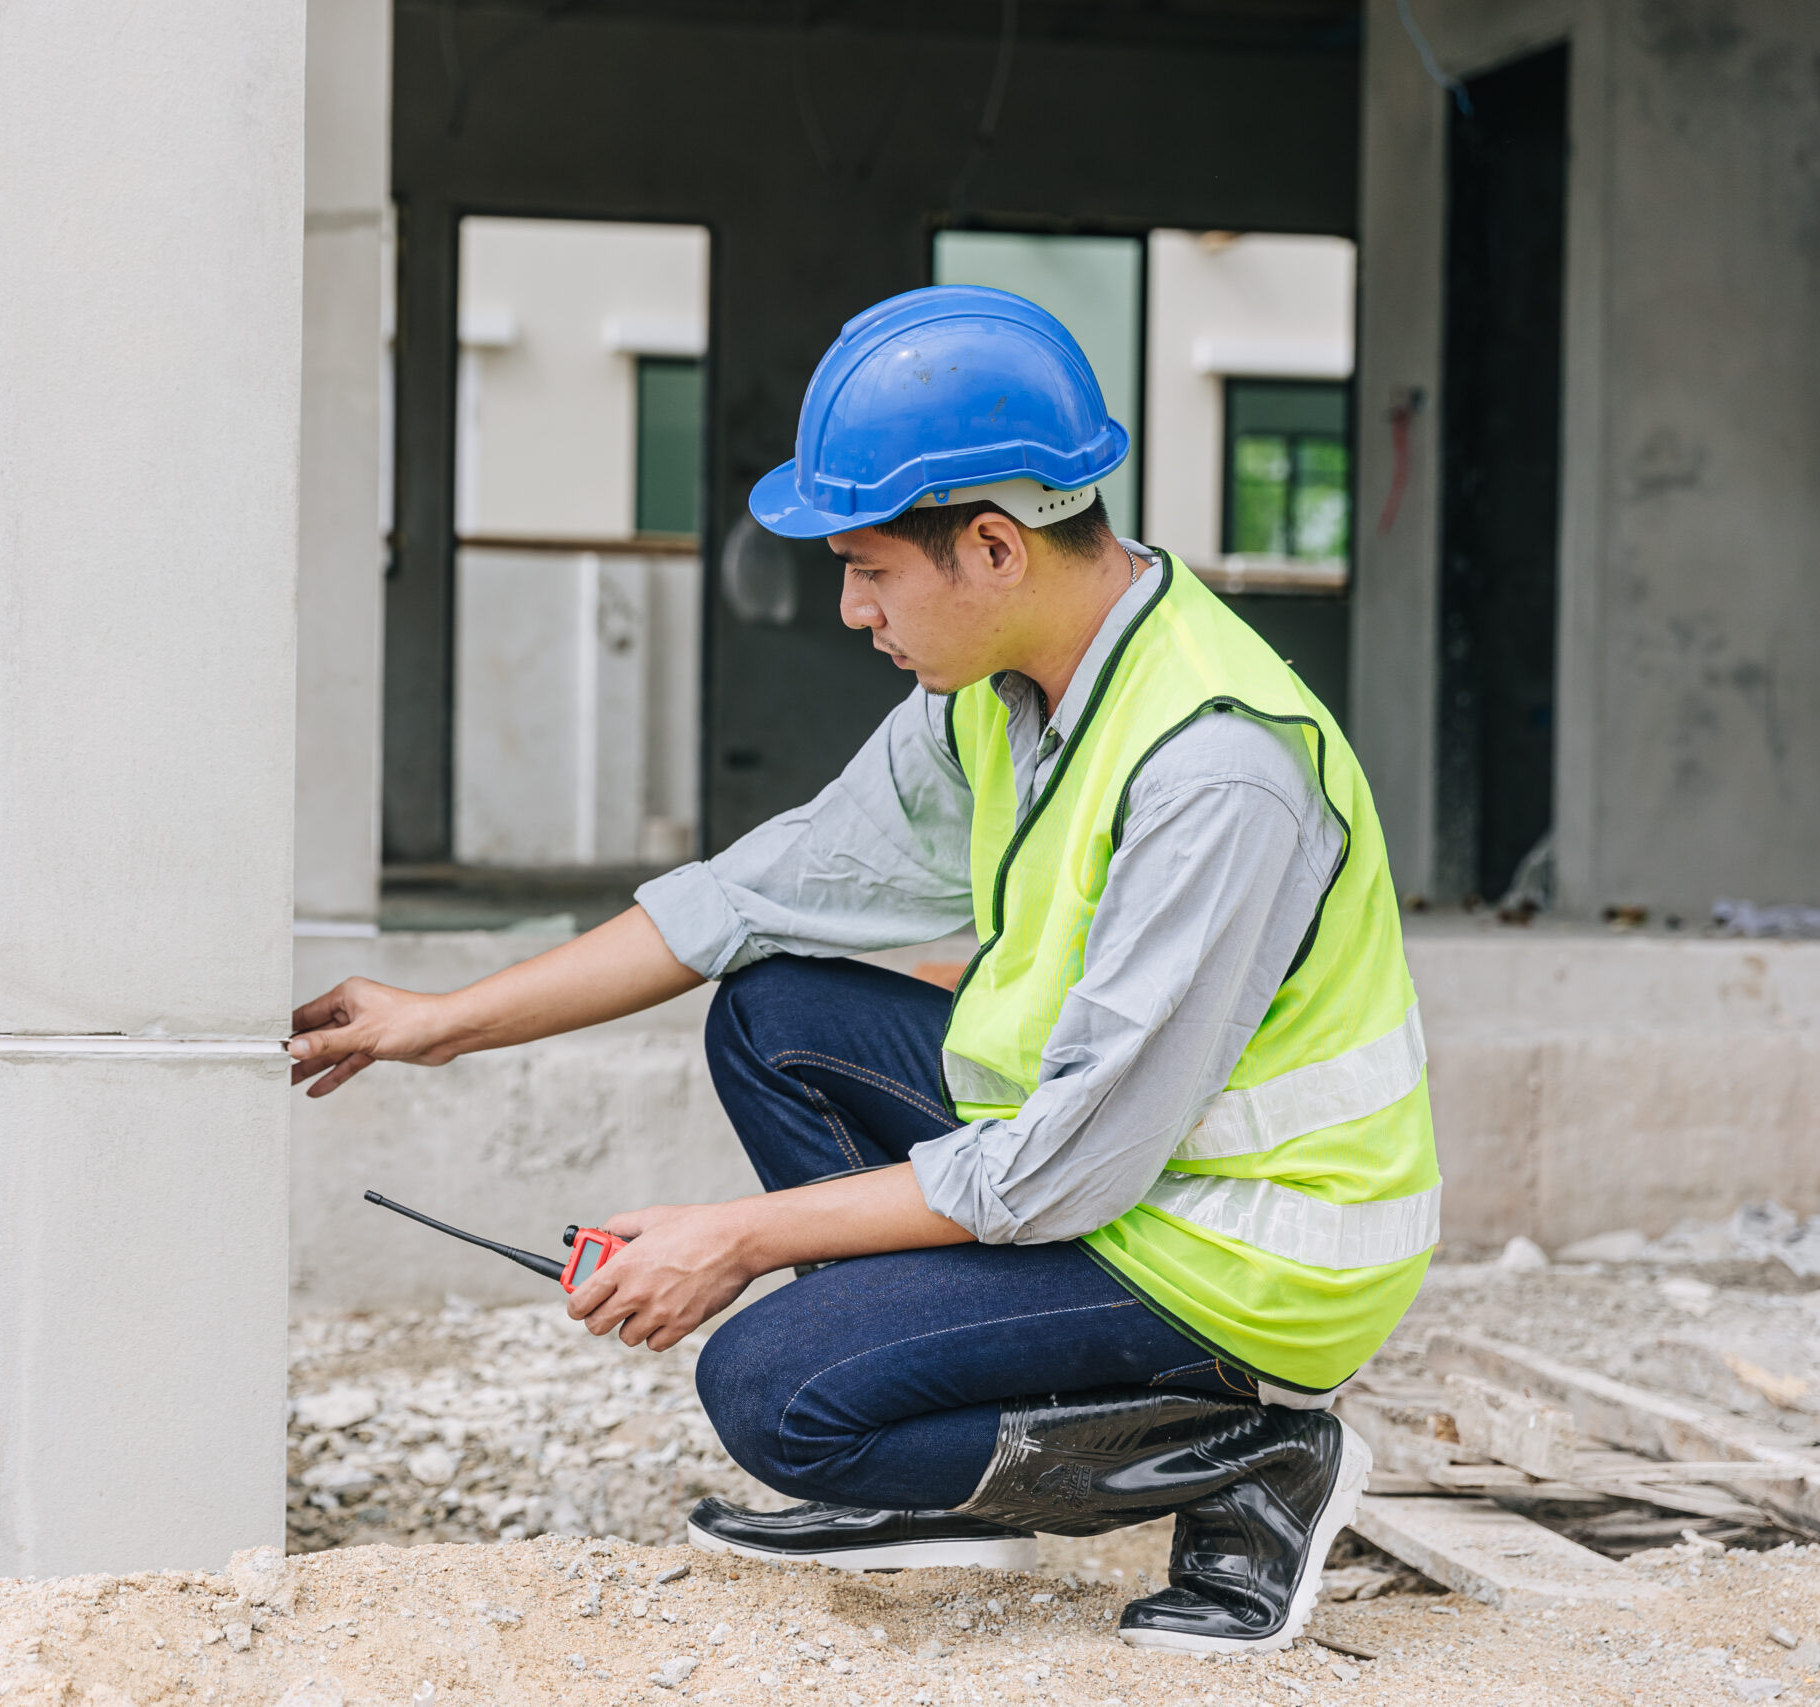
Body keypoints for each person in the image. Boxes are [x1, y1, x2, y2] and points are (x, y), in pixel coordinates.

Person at [286, 285, 1435, 1657]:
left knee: (778, 1394)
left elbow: (1061, 1171)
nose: (848, 608)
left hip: (1247, 1249)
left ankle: (1254, 1460)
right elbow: (751, 900)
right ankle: (941, 1470)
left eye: (871, 568)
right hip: (1116, 1178)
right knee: (776, 1012)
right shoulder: (1005, 698)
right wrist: (444, 1024)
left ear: (994, 548)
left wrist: (735, 1239)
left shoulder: (1215, 772)